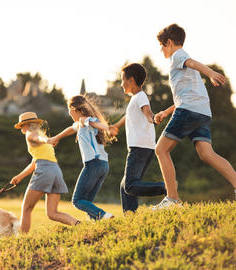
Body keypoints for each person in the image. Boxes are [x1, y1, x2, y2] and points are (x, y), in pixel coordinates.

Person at [153, 23, 236, 209]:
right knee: (206, 153)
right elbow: (185, 97)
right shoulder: (183, 66)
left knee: (161, 150)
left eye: (161, 45)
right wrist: (166, 112)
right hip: (202, 112)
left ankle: (172, 199)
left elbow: (192, 63)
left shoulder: (178, 56)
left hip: (189, 110)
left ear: (169, 42)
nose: (160, 50)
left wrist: (211, 73)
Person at [109, 63, 166, 212]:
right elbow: (128, 116)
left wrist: (152, 118)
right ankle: (130, 217)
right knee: (124, 186)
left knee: (130, 186)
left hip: (139, 148)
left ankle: (167, 187)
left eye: (123, 80)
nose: (121, 84)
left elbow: (146, 110)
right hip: (145, 147)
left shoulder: (140, 97)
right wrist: (115, 126)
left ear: (131, 80)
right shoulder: (135, 99)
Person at [10, 112, 79, 233]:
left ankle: (22, 239)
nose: (21, 128)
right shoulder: (41, 136)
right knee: (52, 213)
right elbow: (34, 162)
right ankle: (79, 225)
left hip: (44, 170)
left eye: (21, 126)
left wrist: (46, 140)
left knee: (26, 208)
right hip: (56, 171)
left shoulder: (30, 134)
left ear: (25, 125)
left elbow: (37, 138)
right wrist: (19, 177)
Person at [48, 95, 114, 220]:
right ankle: (97, 224)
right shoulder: (80, 123)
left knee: (77, 200)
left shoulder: (85, 120)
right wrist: (55, 138)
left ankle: (105, 216)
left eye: (69, 109)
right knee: (87, 201)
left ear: (74, 109)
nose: (69, 113)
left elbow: (94, 124)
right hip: (103, 165)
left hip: (93, 164)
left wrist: (108, 128)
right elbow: (71, 129)